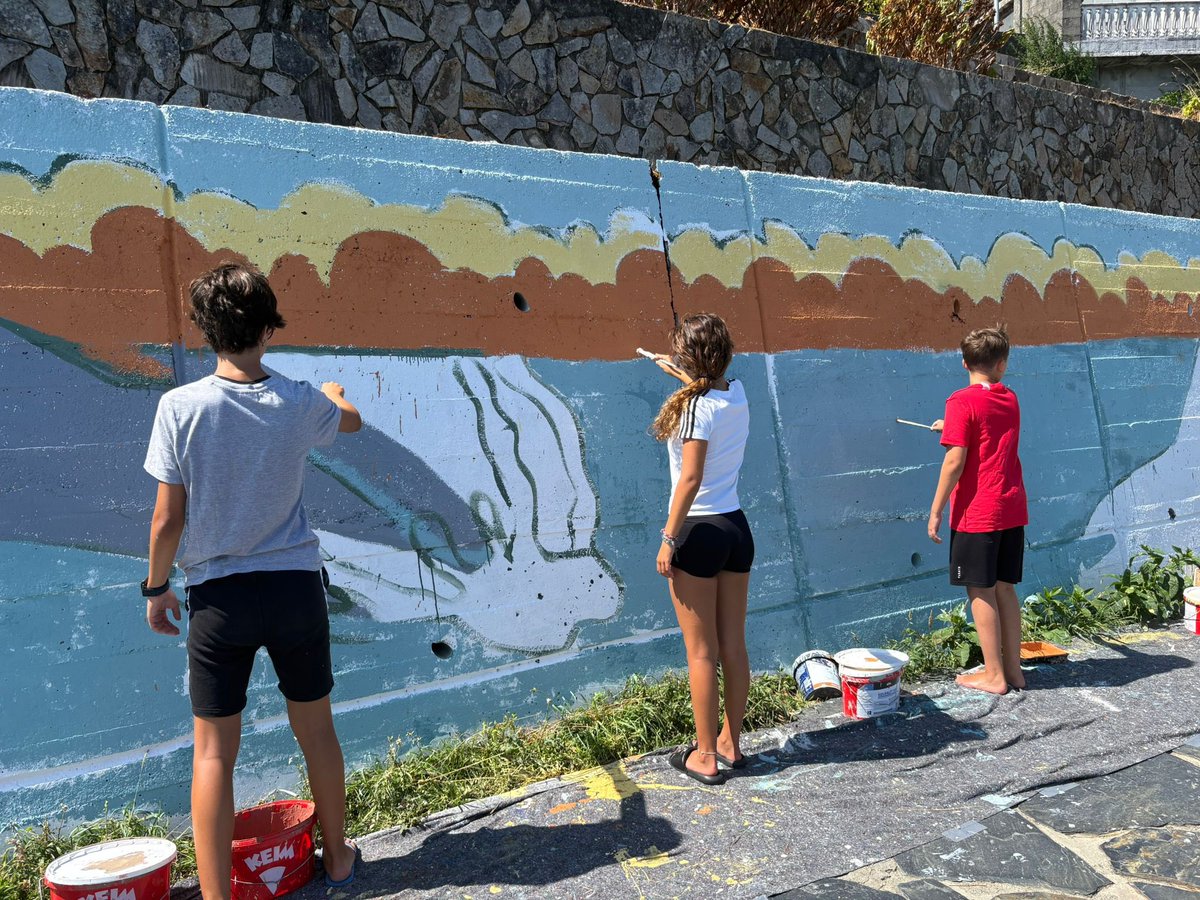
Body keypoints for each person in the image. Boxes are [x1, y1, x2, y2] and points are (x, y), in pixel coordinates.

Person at [142, 263, 363, 899]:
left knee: (213, 752)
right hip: (294, 587)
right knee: (316, 728)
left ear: (205, 330)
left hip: (219, 600)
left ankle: (215, 895)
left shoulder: (179, 408)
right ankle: (340, 857)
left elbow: (166, 520)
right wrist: (334, 391)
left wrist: (156, 590)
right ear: (269, 328)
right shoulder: (298, 401)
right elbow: (350, 422)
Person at [648, 313, 753, 785]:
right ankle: (731, 743)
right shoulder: (736, 393)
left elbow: (689, 478)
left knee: (700, 653)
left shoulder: (694, 410)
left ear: (690, 358)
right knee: (733, 646)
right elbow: (704, 386)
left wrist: (668, 538)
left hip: (697, 530)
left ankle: (705, 756)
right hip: (735, 528)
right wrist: (668, 366)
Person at [927, 325, 1029, 695]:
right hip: (1011, 508)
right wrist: (950, 427)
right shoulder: (1010, 397)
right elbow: (986, 427)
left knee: (979, 591)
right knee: (1005, 589)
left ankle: (994, 676)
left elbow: (956, 460)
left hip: (978, 513)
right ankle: (1014, 671)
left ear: (964, 362)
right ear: (1001, 364)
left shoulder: (960, 401)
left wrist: (936, 509)